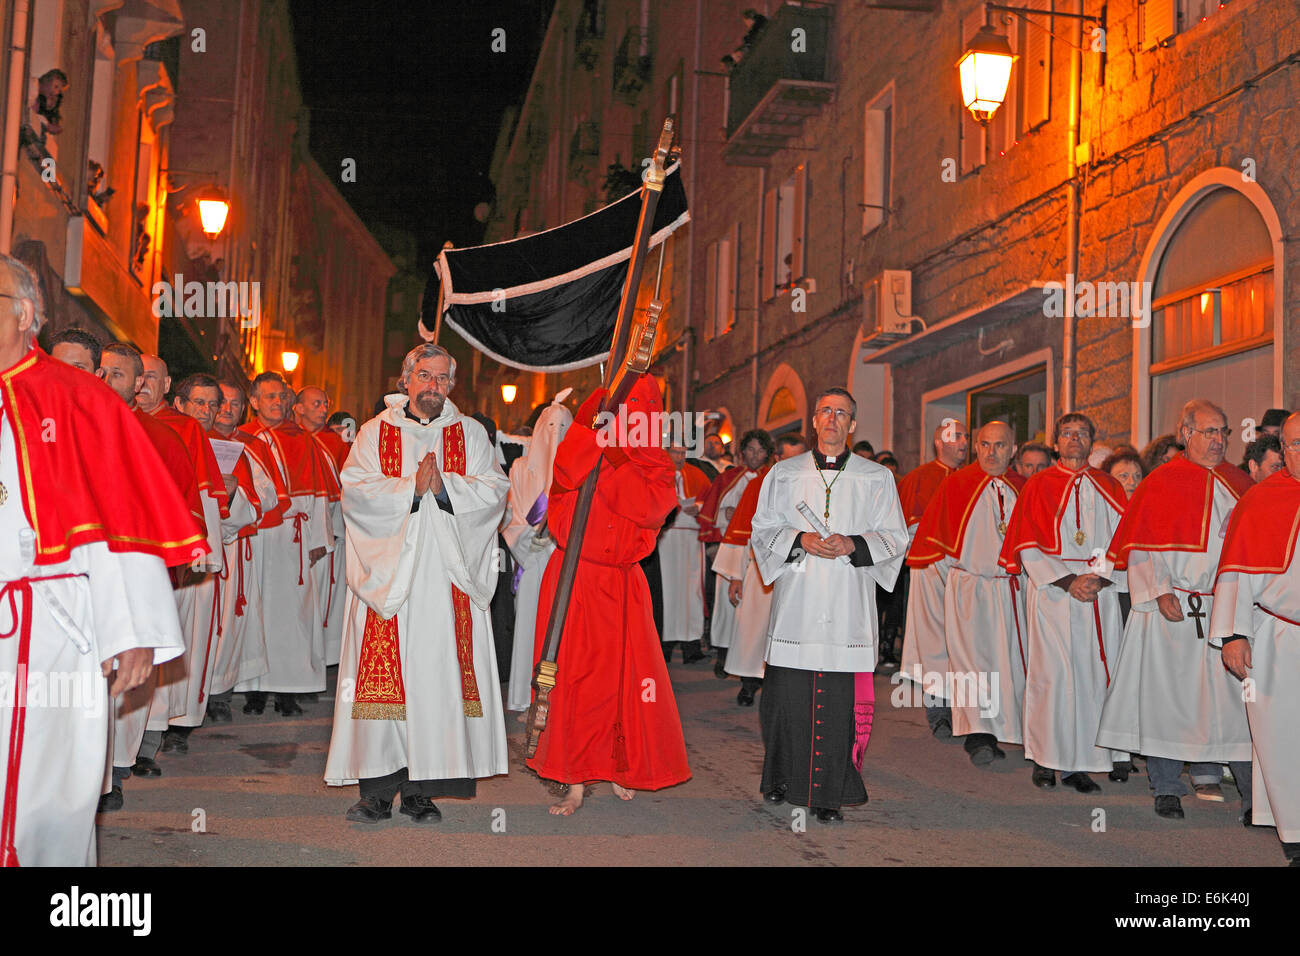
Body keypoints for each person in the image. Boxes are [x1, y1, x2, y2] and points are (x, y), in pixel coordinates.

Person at [0, 254, 197, 862]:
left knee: (49, 794)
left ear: (25, 313)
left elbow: (124, 521)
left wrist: (135, 630)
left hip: (54, 621)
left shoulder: (79, 400)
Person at [325, 344, 509, 822]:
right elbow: (356, 492)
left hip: (447, 584)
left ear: (452, 384)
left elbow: (495, 492)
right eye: (425, 376)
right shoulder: (372, 432)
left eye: (443, 379)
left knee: (435, 680)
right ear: (406, 378)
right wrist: (410, 488)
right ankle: (378, 792)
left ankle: (423, 790)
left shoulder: (469, 434)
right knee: (388, 686)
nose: (434, 386)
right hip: (390, 581)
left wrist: (446, 488)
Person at [526, 377, 691, 816]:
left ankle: (619, 764)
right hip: (574, 577)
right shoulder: (584, 438)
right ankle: (575, 778)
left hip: (621, 581)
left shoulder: (653, 460)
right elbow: (563, 477)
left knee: (625, 679)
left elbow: (649, 506)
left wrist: (612, 455)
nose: (635, 416)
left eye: (644, 409)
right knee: (574, 678)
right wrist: (595, 439)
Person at [750, 387, 908, 823]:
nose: (833, 419)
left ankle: (827, 795)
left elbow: (896, 537)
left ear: (852, 424)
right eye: (825, 411)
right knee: (785, 699)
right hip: (796, 602)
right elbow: (762, 529)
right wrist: (799, 539)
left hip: (846, 601)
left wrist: (852, 543)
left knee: (836, 704)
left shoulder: (876, 478)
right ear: (814, 421)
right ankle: (782, 780)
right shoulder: (783, 474)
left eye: (842, 413)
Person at [1100, 400, 1254, 820]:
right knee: (1164, 701)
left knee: (1233, 706)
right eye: (1209, 431)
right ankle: (1165, 787)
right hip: (1173, 609)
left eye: (1223, 431)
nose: (1219, 440)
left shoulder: (1239, 483)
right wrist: (1158, 589)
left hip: (1225, 610)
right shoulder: (1161, 482)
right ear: (1185, 433)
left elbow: (1254, 552)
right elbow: (1140, 545)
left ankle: (1254, 797)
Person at [97, 343, 205, 801]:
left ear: (140, 384)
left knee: (129, 672)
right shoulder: (63, 428)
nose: (104, 380)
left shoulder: (160, 440)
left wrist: (169, 571)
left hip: (136, 573)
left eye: (117, 374)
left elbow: (186, 511)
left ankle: (116, 770)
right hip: (74, 574)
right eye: (99, 370)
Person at [999, 413, 1128, 793]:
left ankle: (1080, 762)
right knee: (1051, 677)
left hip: (1097, 595)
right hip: (1053, 592)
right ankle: (1045, 758)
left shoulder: (1109, 486)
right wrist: (1069, 580)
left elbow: (1122, 538)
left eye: (1082, 434)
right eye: (1068, 434)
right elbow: (1026, 543)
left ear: (1092, 441)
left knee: (1090, 677)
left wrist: (1100, 578)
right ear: (1056, 442)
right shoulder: (1038, 486)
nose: (1075, 440)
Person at [906, 422, 1028, 766]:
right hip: (968, 589)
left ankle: (1001, 727)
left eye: (1000, 445)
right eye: (985, 445)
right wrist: (939, 599)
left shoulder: (1023, 487)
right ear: (976, 447)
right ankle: (978, 735)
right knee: (973, 665)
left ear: (1013, 449)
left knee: (1005, 664)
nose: (992, 452)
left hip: (1009, 590)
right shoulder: (956, 486)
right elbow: (934, 551)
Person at [1211, 411, 1300, 866]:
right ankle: (1296, 832)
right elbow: (1235, 575)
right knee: (1282, 734)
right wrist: (1232, 634)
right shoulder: (1261, 500)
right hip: (1278, 635)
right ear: (1282, 450)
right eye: (1295, 444)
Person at [237, 371, 338, 716]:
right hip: (258, 533)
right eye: (269, 397)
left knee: (294, 614)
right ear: (254, 402)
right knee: (256, 611)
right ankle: (253, 690)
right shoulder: (242, 439)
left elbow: (320, 494)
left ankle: (288, 690)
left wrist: (319, 539)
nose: (278, 403)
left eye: (282, 397)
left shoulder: (304, 439)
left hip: (293, 537)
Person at [206, 381, 285, 721]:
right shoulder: (192, 438)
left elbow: (268, 497)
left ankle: (219, 697)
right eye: (221, 402)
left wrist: (238, 492)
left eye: (235, 404)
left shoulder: (251, 447)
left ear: (244, 409)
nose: (227, 408)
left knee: (229, 623)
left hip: (234, 550)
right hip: (196, 546)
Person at [717, 431, 806, 704]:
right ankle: (748, 683)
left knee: (790, 631)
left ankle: (783, 689)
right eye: (789, 460)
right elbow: (740, 531)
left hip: (799, 570)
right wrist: (735, 576)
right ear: (777, 458)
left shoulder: (814, 487)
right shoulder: (758, 486)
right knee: (753, 629)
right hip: (759, 570)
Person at [502, 390, 572, 712]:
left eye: (562, 428)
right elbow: (510, 516)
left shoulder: (578, 474)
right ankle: (525, 695)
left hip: (565, 560)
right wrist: (530, 541)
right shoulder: (519, 468)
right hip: (532, 561)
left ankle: (562, 700)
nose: (555, 435)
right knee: (531, 626)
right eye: (550, 427)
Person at [898, 421, 968, 736]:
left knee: (967, 641)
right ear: (938, 442)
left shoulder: (974, 479)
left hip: (968, 573)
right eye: (957, 436)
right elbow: (901, 529)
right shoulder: (918, 479)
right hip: (930, 569)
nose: (964, 441)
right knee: (934, 640)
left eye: (966, 435)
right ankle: (939, 710)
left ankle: (969, 712)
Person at [698, 430, 774, 677]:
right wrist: (721, 522)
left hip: (758, 551)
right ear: (742, 452)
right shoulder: (727, 478)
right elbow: (711, 511)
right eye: (750, 449)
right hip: (729, 548)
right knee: (725, 604)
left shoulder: (773, 480)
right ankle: (723, 655)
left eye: (760, 450)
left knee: (752, 610)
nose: (755, 455)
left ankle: (750, 663)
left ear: (767, 454)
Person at [295, 386, 349, 668]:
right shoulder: (290, 437)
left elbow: (346, 485)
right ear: (299, 408)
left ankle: (321, 659)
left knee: (325, 598)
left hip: (330, 528)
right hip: (294, 528)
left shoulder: (336, 442)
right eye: (316, 404)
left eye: (325, 404)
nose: (323, 408)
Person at [659, 443, 712, 663]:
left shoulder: (697, 474)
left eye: (683, 453)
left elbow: (710, 498)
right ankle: (665, 645)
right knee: (668, 590)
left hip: (692, 535)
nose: (680, 457)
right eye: (675, 452)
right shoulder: (658, 472)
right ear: (666, 452)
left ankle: (692, 644)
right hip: (667, 537)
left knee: (691, 591)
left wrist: (698, 506)